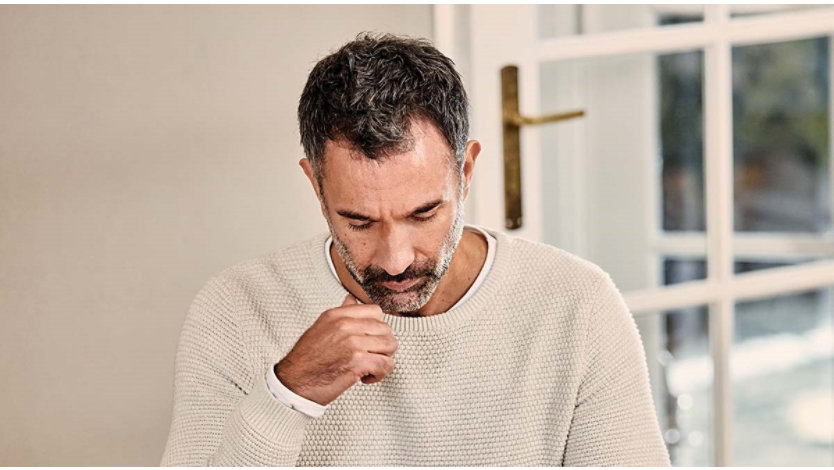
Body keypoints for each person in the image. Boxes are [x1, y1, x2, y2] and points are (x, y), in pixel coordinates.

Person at [160, 32, 671, 466]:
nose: (395, 260)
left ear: (465, 171)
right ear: (315, 185)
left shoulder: (578, 305)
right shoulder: (235, 311)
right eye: (359, 221)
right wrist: (288, 393)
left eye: (423, 214)